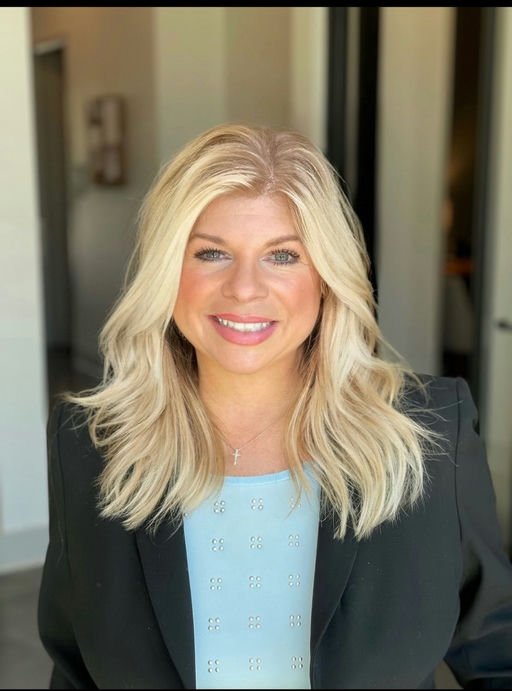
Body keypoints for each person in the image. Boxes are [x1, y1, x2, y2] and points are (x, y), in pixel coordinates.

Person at [38, 123, 512, 690]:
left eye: (282, 256)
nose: (244, 288)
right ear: (166, 272)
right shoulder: (89, 446)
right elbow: (75, 672)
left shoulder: (429, 436)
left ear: (326, 278)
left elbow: (498, 654)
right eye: (211, 252)